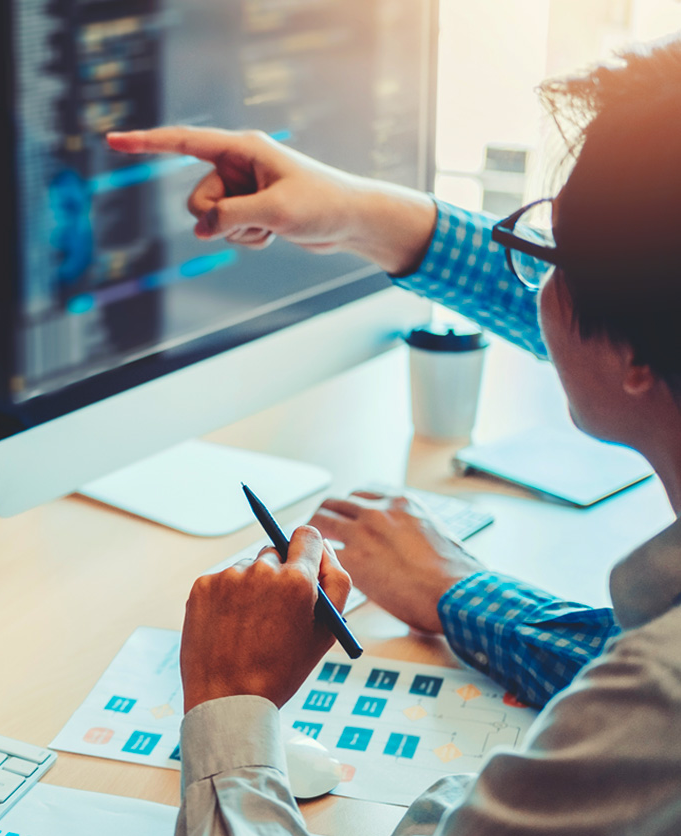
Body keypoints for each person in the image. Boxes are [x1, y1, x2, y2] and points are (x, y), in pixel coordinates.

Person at [107, 35, 681, 836]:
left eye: (553, 250)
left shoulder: (654, 709)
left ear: (635, 353)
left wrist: (228, 707)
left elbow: (644, 706)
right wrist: (354, 210)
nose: (539, 282)